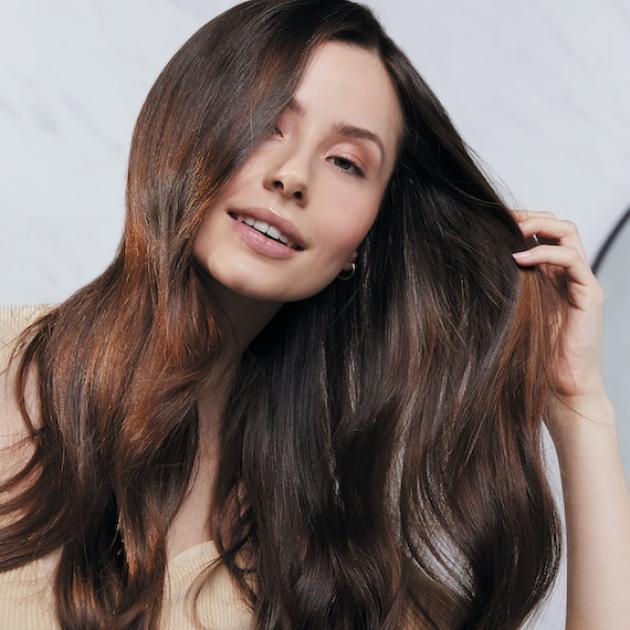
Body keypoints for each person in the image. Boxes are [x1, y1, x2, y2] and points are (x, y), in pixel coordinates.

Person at [1, 1, 628, 628]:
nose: (293, 176)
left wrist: (580, 411)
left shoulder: (331, 571)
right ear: (185, 127)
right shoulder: (10, 371)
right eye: (268, 124)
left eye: (347, 162)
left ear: (364, 241)